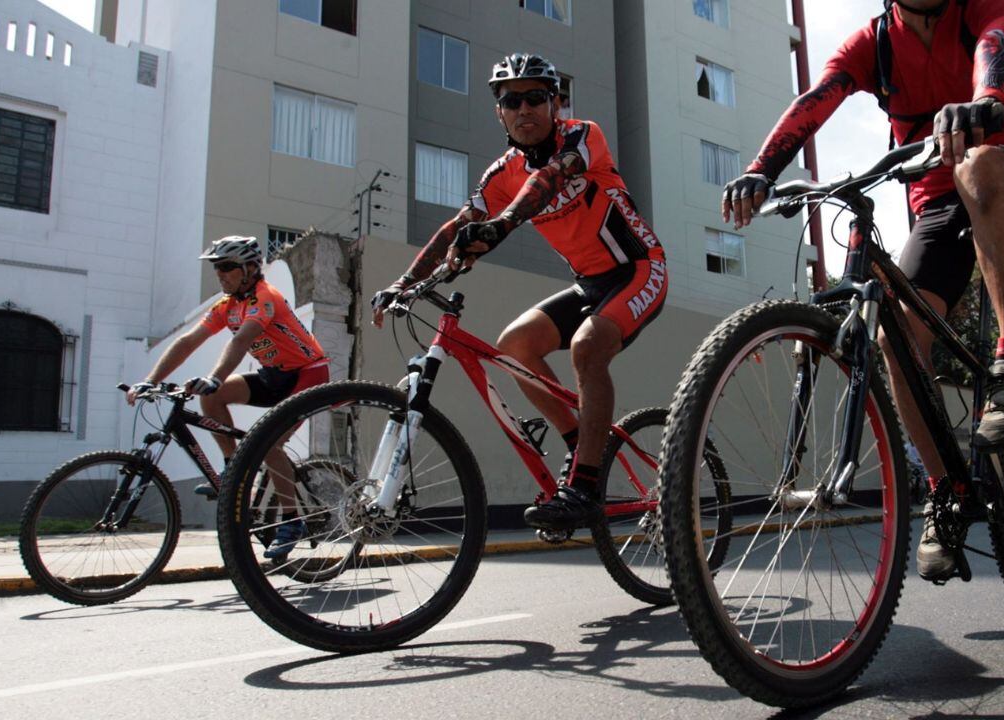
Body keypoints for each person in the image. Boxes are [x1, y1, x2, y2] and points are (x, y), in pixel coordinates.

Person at [720, 0, 1004, 582]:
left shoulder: (981, 8)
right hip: (936, 201)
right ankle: (948, 490)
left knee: (978, 165)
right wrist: (763, 167)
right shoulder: (875, 44)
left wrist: (986, 102)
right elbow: (817, 99)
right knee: (896, 334)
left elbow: (998, 43)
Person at [371, 53, 667, 531]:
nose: (524, 108)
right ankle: (582, 446)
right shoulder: (499, 174)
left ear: (555, 104)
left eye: (536, 98)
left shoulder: (582, 136)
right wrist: (403, 283)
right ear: (500, 112)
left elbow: (548, 179)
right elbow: (457, 226)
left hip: (639, 269)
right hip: (589, 283)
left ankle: (585, 488)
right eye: (512, 100)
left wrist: (502, 224)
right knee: (513, 347)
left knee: (589, 349)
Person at [126, 236, 329, 559]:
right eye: (217, 268)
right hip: (273, 374)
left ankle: (292, 522)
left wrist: (214, 377)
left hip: (307, 373)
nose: (221, 274)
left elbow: (241, 341)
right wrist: (150, 381)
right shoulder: (229, 305)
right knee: (213, 398)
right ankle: (234, 468)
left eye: (228, 267)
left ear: (250, 268)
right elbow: (188, 341)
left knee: (270, 444)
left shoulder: (265, 298)